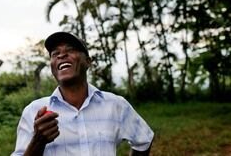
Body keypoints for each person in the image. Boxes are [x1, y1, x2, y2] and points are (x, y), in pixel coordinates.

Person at [12, 32, 154, 156]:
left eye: (71, 50)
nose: (61, 55)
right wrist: (38, 141)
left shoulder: (116, 105)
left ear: (87, 62)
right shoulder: (33, 112)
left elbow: (144, 140)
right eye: (55, 53)